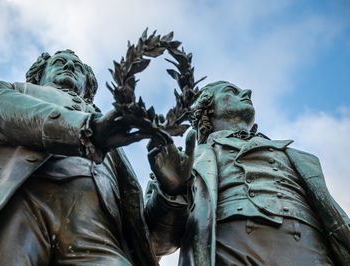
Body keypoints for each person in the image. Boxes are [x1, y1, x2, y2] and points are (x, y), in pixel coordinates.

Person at [0, 49, 181, 266]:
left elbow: (149, 245)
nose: (69, 67)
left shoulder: (111, 138)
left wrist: (170, 194)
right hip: (18, 208)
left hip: (98, 235)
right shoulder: (8, 91)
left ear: (87, 86)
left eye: (77, 67)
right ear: (39, 75)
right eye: (59, 62)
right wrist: (84, 130)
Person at [147, 81, 350, 265]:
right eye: (231, 91)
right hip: (228, 250)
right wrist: (170, 190)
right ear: (207, 109)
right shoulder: (182, 161)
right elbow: (156, 243)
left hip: (308, 248)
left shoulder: (298, 157)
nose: (247, 92)